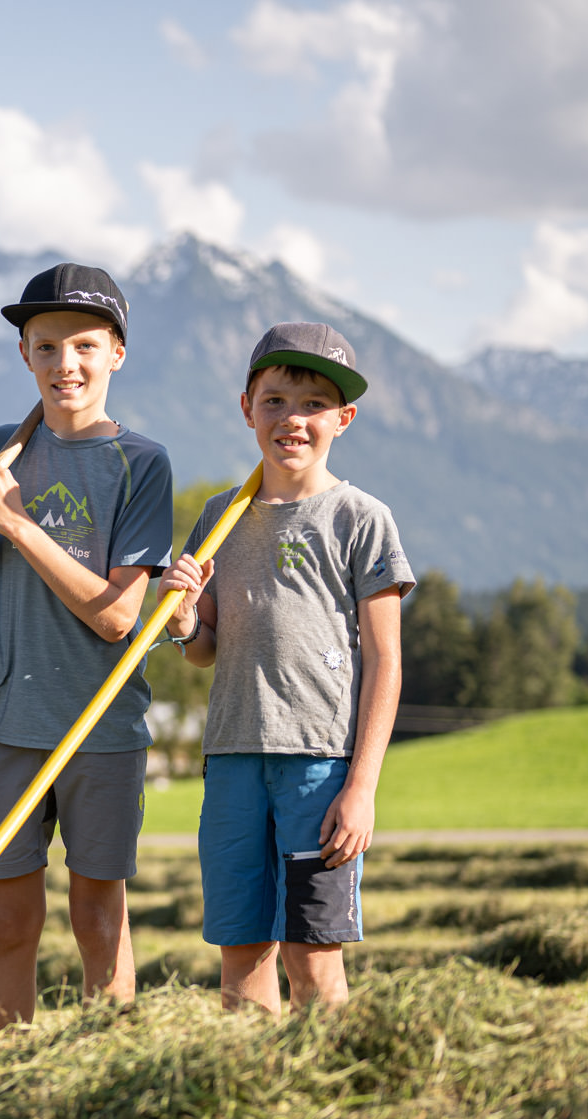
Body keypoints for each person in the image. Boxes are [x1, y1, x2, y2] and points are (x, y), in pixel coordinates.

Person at [158, 322, 412, 1015]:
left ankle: (324, 1102)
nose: (292, 418)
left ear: (343, 419)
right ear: (247, 407)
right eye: (274, 400)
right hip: (234, 757)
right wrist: (181, 619)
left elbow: (386, 660)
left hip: (320, 766)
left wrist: (360, 787)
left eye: (312, 404)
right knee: (242, 956)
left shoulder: (361, 520)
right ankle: (255, 1107)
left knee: (312, 953)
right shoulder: (219, 517)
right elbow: (205, 645)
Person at [0, 264, 175, 1045]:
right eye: (45, 347)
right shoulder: (0, 450)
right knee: (9, 920)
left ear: (117, 352)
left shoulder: (140, 464)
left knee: (97, 916)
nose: (65, 365)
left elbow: (118, 616)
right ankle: (1, 1090)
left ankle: (100, 1082)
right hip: (10, 721)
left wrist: (14, 525)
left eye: (84, 345)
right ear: (24, 355)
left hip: (102, 728)